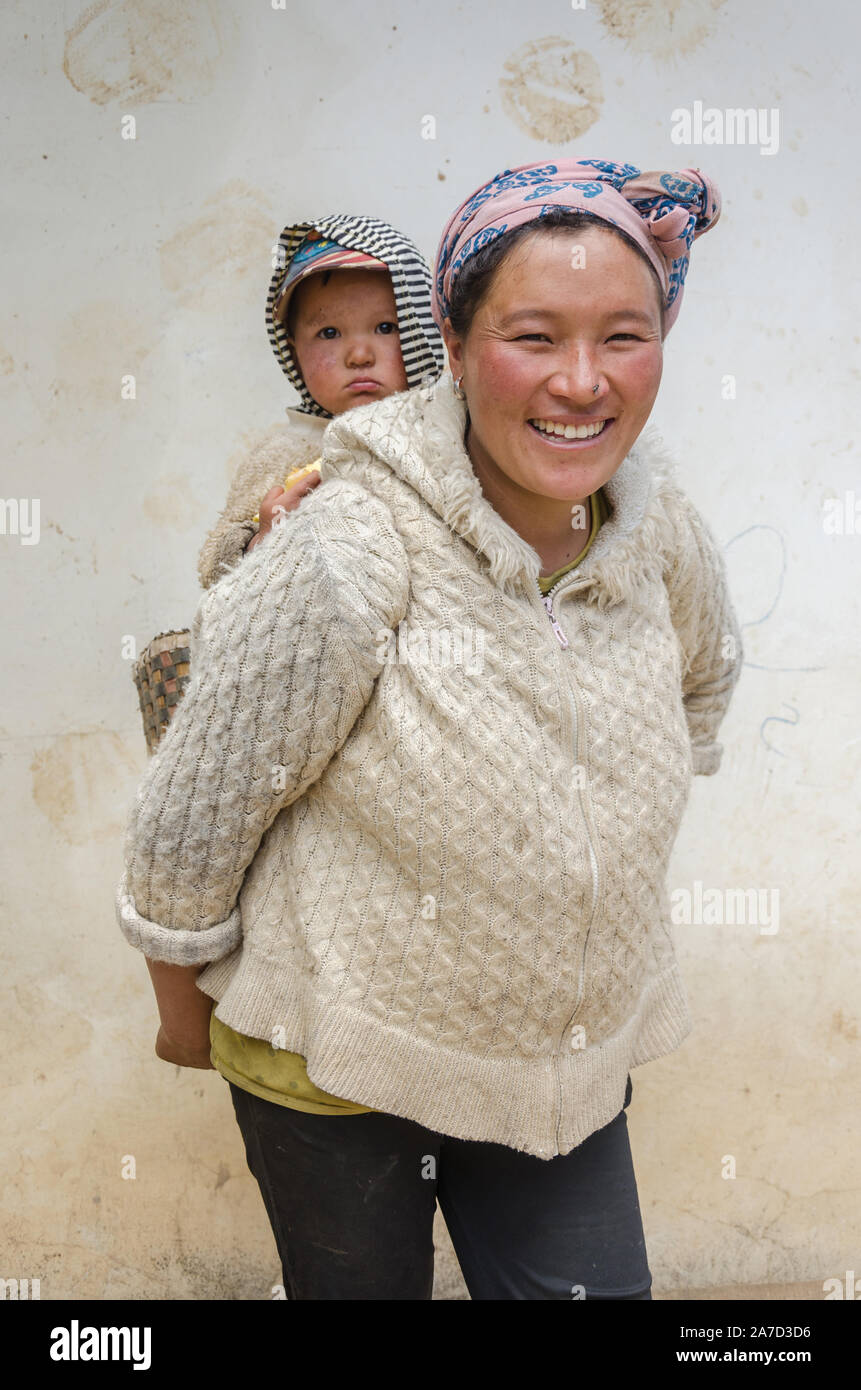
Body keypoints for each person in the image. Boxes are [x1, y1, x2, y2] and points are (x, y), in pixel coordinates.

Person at [116, 157, 742, 1300]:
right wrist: (180, 1013)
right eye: (535, 336)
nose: (582, 382)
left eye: (624, 335)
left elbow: (700, 692)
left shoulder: (664, 534)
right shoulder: (349, 541)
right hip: (336, 1072)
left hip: (555, 1069)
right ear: (451, 346)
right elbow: (194, 806)